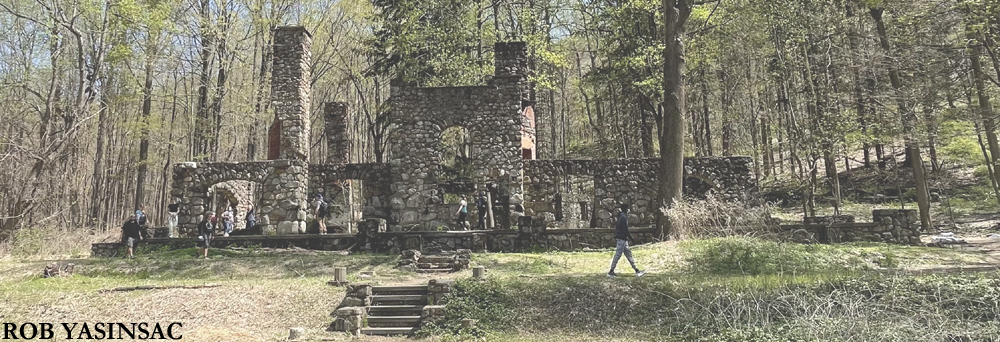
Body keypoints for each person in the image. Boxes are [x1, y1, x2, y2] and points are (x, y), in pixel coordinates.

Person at [608, 204, 645, 278]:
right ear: (626, 209)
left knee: (629, 254)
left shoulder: (620, 216)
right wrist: (631, 238)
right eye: (628, 208)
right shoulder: (623, 217)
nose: (629, 210)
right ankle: (611, 271)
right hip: (622, 239)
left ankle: (636, 270)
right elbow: (625, 230)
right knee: (618, 255)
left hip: (623, 239)